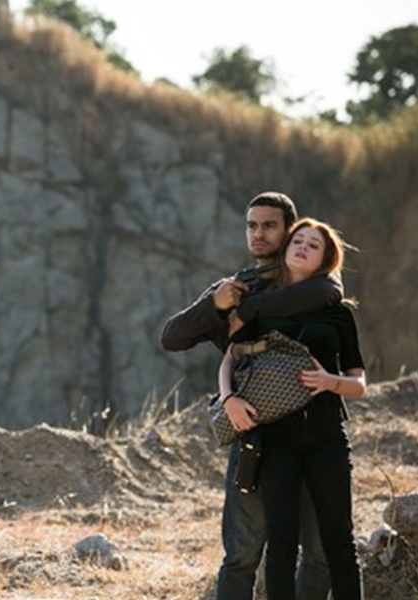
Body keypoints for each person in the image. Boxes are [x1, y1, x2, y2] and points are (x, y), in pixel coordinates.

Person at [160, 192, 340, 600]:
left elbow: (328, 292)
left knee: (318, 552)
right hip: (254, 433)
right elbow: (172, 337)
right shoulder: (234, 286)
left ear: (289, 229)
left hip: (314, 432)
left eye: (270, 225)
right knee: (242, 555)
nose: (259, 234)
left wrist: (250, 310)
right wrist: (216, 304)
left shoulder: (310, 279)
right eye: (252, 225)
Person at [219, 217, 366, 600]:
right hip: (275, 439)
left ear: (324, 260)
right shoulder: (262, 309)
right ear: (285, 250)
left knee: (339, 542)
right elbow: (230, 360)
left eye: (313, 245)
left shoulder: (339, 314)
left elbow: (359, 384)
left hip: (327, 439)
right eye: (297, 240)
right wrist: (228, 398)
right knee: (281, 543)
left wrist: (331, 382)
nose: (302, 247)